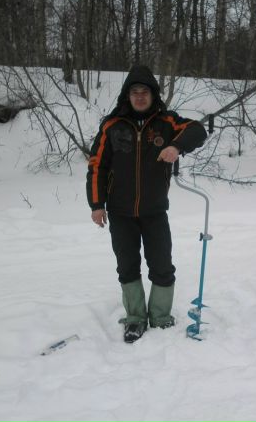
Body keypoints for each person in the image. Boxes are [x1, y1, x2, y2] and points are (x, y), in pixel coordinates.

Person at [86, 65, 207, 343]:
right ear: (127, 96)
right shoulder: (112, 126)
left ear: (153, 95)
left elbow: (198, 130)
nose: (140, 97)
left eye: (145, 92)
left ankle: (161, 317)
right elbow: (97, 166)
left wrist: (176, 146)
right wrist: (96, 204)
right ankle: (135, 318)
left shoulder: (167, 122)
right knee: (127, 266)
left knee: (162, 265)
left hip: (155, 211)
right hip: (120, 212)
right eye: (135, 92)